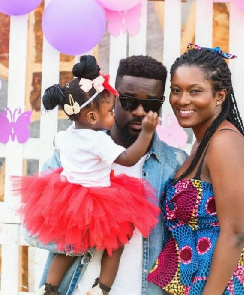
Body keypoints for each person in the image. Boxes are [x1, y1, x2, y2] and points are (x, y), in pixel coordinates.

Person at [25, 55, 244, 295]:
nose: (141, 112)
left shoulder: (175, 164)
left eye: (152, 104)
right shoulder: (69, 159)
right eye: (130, 102)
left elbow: (221, 225)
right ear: (111, 99)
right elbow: (33, 230)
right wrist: (98, 228)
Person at [13, 55, 161, 295]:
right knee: (117, 244)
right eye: (110, 112)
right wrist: (146, 132)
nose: (113, 116)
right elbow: (128, 158)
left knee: (67, 248)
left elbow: (59, 146)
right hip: (99, 201)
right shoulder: (98, 141)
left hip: (70, 201)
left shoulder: (64, 136)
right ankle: (102, 287)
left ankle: (50, 288)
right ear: (92, 117)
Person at [146, 44, 244, 294]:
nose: (182, 100)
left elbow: (234, 234)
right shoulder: (204, 142)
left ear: (219, 96)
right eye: (176, 90)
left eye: (195, 91)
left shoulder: (223, 143)